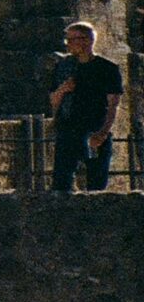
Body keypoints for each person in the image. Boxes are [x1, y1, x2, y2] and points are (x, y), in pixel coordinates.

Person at [47, 21, 124, 193]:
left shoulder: (107, 69)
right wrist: (63, 89)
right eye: (67, 40)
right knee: (61, 182)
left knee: (96, 182)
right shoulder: (64, 67)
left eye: (73, 39)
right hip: (68, 128)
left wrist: (103, 132)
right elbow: (53, 100)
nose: (69, 44)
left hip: (94, 128)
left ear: (87, 40)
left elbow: (113, 104)